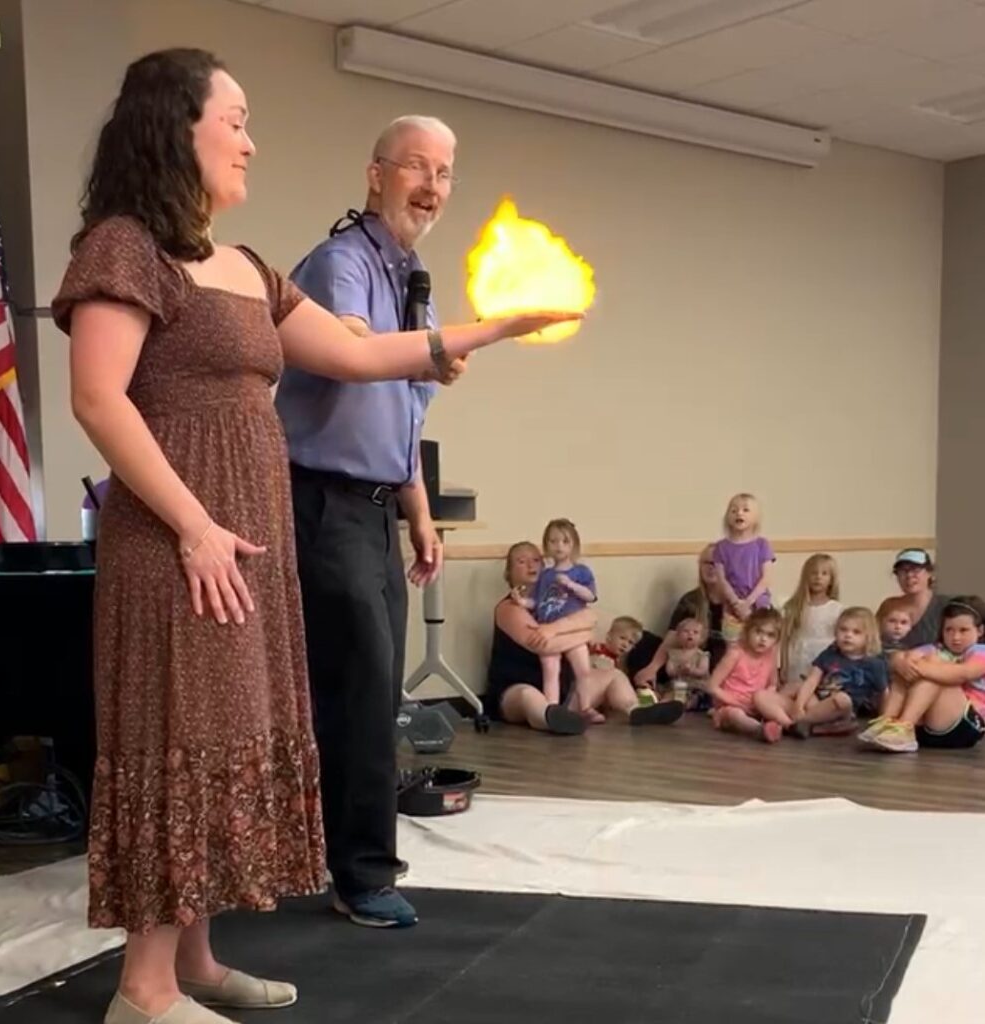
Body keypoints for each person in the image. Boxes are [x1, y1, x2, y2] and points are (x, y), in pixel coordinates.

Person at [52, 49, 577, 1024]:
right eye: (236, 119)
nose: (252, 140)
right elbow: (97, 397)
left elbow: (356, 350)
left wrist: (492, 329)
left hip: (245, 544)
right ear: (177, 127)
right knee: (180, 739)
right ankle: (143, 987)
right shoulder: (123, 249)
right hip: (179, 543)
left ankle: (196, 963)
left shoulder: (246, 269)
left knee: (228, 739)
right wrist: (195, 524)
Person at [274, 114, 465, 930]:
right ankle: (360, 876)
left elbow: (402, 416)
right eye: (416, 167)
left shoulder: (412, 275)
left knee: (373, 690)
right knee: (353, 693)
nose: (431, 186)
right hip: (320, 500)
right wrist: (421, 349)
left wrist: (417, 511)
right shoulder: (341, 261)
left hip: (379, 509)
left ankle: (334, 854)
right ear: (375, 172)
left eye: (445, 173)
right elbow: (351, 349)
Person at [486, 543, 683, 733]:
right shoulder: (509, 608)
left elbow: (590, 616)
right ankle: (550, 720)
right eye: (522, 561)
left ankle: (635, 710)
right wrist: (583, 633)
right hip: (514, 688)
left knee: (613, 676)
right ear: (509, 573)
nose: (531, 565)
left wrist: (556, 629)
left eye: (536, 560)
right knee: (528, 697)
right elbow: (544, 645)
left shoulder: (555, 602)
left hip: (562, 687)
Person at [860, 596, 985, 753]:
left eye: (963, 630)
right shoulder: (938, 649)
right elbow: (903, 656)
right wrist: (901, 663)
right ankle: (888, 721)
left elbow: (962, 674)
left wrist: (921, 668)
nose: (955, 637)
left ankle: (905, 726)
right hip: (928, 727)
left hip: (966, 726)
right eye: (949, 630)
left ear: (980, 631)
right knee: (907, 668)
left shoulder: (981, 652)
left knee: (934, 671)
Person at [511, 518, 598, 719]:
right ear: (546, 545)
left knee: (583, 670)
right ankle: (552, 711)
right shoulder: (545, 575)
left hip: (572, 631)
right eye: (553, 541)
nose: (559, 546)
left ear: (573, 545)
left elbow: (591, 596)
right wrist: (522, 603)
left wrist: (571, 585)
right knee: (550, 671)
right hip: (548, 627)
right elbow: (537, 601)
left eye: (565, 542)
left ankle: (586, 707)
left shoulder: (581, 571)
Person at [627, 544, 727, 691]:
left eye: (717, 563)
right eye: (707, 563)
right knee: (642, 640)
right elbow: (673, 636)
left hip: (715, 664)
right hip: (683, 660)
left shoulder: (737, 602)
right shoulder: (691, 599)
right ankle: (648, 688)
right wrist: (653, 668)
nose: (711, 567)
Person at [789, 607, 887, 738]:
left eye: (856, 632)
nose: (848, 635)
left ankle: (796, 723)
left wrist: (884, 719)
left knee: (842, 699)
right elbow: (812, 680)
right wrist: (799, 705)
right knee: (796, 687)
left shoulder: (874, 663)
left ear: (868, 637)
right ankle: (815, 726)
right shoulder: (830, 654)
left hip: (843, 710)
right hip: (819, 703)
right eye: (843, 630)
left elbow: (884, 692)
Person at [708, 608, 793, 744]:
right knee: (735, 715)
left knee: (786, 695)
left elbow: (772, 684)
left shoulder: (770, 656)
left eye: (770, 635)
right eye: (758, 632)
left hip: (757, 706)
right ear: (748, 631)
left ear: (776, 640)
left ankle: (790, 724)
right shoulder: (735, 654)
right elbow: (712, 686)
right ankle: (759, 730)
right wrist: (735, 702)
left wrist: (766, 700)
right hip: (731, 705)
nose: (763, 639)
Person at [713, 492, 775, 643]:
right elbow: (722, 580)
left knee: (760, 645)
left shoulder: (762, 545)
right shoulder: (721, 547)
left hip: (758, 604)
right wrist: (736, 603)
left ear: (756, 516)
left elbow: (766, 578)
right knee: (734, 648)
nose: (739, 513)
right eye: (734, 510)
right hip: (732, 607)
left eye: (745, 510)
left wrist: (748, 602)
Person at [779, 554, 841, 689]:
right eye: (814, 573)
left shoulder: (836, 609)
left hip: (825, 659)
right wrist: (783, 664)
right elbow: (785, 638)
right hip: (799, 657)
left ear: (831, 579)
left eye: (824, 573)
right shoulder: (793, 607)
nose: (818, 577)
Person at [664, 617, 711, 707]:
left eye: (695, 632)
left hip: (696, 686)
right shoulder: (673, 653)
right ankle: (664, 704)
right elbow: (669, 671)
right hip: (678, 686)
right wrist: (678, 671)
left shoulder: (702, 655)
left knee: (698, 696)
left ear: (701, 638)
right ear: (678, 636)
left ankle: (685, 704)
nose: (690, 634)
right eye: (686, 631)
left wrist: (691, 670)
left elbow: (703, 671)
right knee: (668, 692)